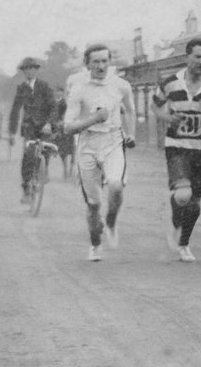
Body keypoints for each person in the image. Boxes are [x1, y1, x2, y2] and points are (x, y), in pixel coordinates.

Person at [153, 37, 201, 262]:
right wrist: (167, 117)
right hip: (177, 147)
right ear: (187, 57)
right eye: (198, 56)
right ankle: (175, 218)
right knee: (184, 196)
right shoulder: (170, 82)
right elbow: (156, 106)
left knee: (195, 204)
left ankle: (184, 243)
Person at [62, 45, 137, 262]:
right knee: (93, 205)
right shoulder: (79, 89)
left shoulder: (121, 85)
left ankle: (112, 220)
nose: (101, 66)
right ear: (87, 64)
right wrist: (93, 119)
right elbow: (68, 127)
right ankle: (95, 243)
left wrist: (130, 133)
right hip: (88, 144)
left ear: (110, 61)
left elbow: (130, 110)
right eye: (96, 62)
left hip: (113, 141)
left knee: (115, 185)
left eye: (104, 61)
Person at [7, 57, 59, 205]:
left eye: (31, 68)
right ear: (23, 72)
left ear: (36, 70)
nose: (29, 71)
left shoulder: (44, 87)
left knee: (46, 151)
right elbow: (15, 111)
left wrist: (49, 123)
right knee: (28, 156)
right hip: (29, 128)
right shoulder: (21, 89)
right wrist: (11, 132)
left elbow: (53, 107)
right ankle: (26, 189)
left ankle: (42, 172)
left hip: (45, 127)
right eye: (26, 69)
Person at [53, 86, 77, 180]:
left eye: (60, 92)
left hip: (68, 125)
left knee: (72, 145)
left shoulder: (67, 103)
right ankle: (65, 168)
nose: (58, 93)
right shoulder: (54, 102)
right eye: (57, 91)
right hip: (58, 125)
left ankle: (70, 168)